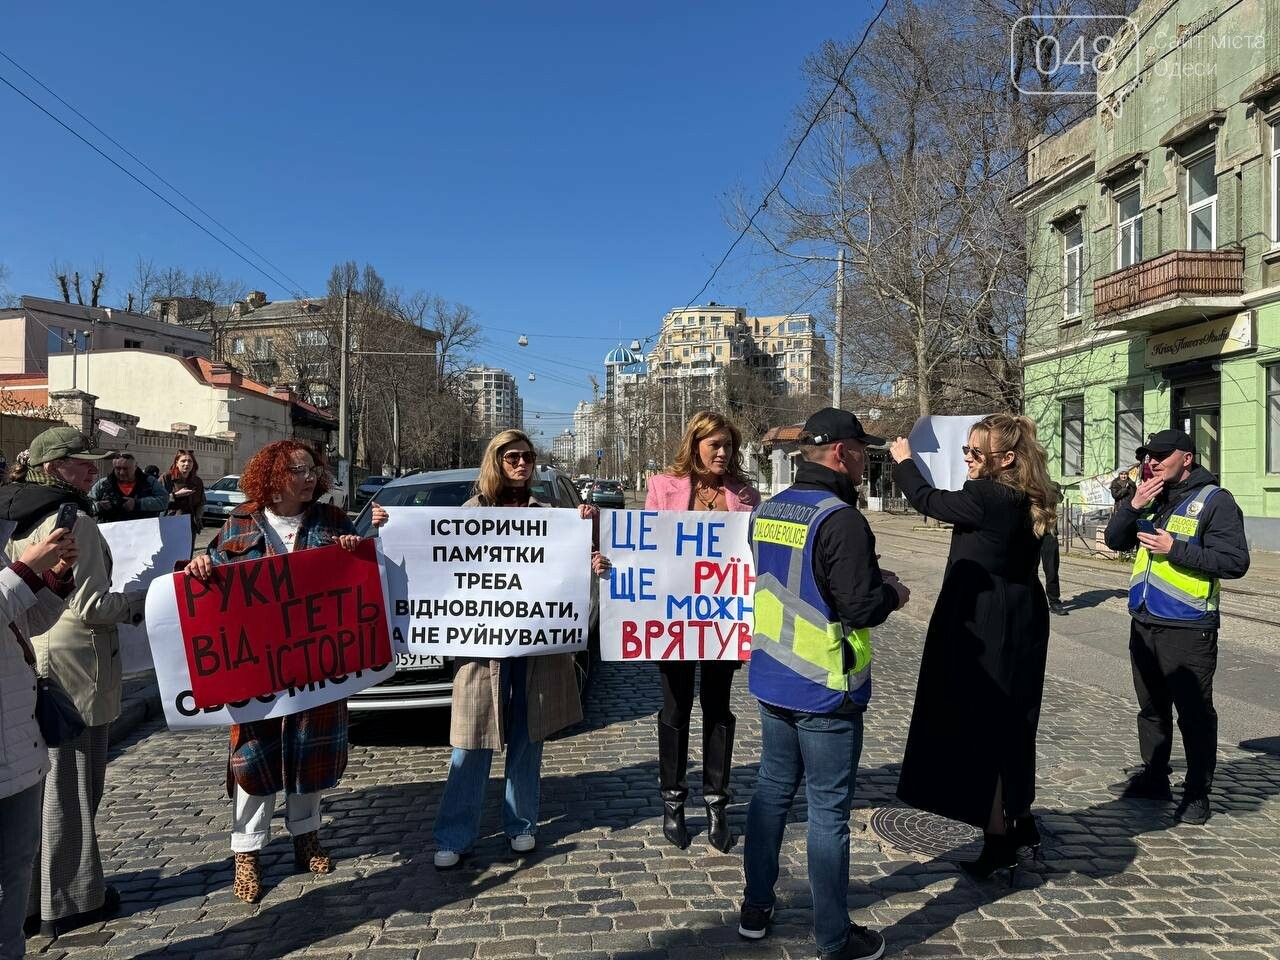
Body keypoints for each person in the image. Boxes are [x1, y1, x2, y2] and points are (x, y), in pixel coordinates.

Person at [184, 440, 388, 903]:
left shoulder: (333, 522)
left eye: (313, 469)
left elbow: (359, 580)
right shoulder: (240, 523)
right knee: (253, 760)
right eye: (300, 470)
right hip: (257, 667)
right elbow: (212, 575)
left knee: (309, 754)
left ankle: (306, 836)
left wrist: (358, 547)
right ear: (275, 478)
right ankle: (247, 852)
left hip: (316, 666)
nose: (311, 477)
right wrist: (199, 565)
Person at [739, 408, 909, 960]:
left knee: (770, 794)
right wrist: (893, 593)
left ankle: (755, 909)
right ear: (840, 452)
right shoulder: (841, 519)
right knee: (828, 813)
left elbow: (796, 580)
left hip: (772, 677)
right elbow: (858, 607)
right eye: (863, 450)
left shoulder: (769, 509)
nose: (867, 459)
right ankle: (834, 938)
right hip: (824, 688)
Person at [889, 413, 1057, 880]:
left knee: (986, 725)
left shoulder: (987, 495)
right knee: (1015, 720)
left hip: (988, 620)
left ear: (1005, 459)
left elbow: (926, 499)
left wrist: (904, 461)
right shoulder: (1025, 494)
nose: (966, 457)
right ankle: (1021, 821)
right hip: (1023, 611)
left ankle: (998, 837)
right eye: (965, 449)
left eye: (974, 451)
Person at [432, 429, 609, 869]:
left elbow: (570, 581)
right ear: (495, 460)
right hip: (480, 650)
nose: (521, 464)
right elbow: (439, 565)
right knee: (471, 740)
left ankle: (521, 823)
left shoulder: (551, 515)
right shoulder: (469, 514)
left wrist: (592, 553)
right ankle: (454, 835)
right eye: (512, 456)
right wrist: (389, 530)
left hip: (536, 648)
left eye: (527, 457)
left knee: (529, 737)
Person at [0, 427, 147, 939]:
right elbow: (92, 605)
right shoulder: (72, 517)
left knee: (49, 791)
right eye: (83, 463)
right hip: (77, 667)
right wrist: (145, 599)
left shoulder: (18, 508)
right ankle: (71, 900)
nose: (95, 470)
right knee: (75, 789)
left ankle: (36, 899)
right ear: (56, 466)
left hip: (37, 658)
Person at [1103, 429, 1250, 825]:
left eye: (1162, 455)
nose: (1152, 461)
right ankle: (1154, 776)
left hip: (1188, 625)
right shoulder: (1151, 495)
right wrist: (1132, 505)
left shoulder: (1215, 502)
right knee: (1151, 708)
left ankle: (1198, 793)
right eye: (1149, 455)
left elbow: (1235, 562)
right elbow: (1115, 540)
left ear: (1186, 458)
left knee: (1194, 713)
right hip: (1145, 620)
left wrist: (1176, 550)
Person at [644, 411, 760, 852]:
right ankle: (673, 802)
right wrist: (610, 565)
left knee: (718, 708)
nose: (723, 452)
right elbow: (643, 549)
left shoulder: (745, 495)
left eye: (728, 445)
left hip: (722, 618)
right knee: (675, 709)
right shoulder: (662, 488)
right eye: (714, 445)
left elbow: (758, 551)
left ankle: (717, 804)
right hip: (673, 618)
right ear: (695, 445)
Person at [0, 526, 78, 960]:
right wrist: (27, 570)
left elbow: (23, 621)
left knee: (15, 871)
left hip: (17, 741)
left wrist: (55, 578)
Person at [89, 452, 169, 523]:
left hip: (143, 533)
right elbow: (86, 505)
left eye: (125, 468)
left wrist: (138, 504)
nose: (122, 472)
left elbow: (164, 500)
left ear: (135, 466)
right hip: (110, 534)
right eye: (118, 468)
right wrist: (99, 506)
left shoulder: (149, 482)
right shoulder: (103, 484)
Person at [162, 449, 206, 540]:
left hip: (189, 526)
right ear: (176, 462)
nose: (187, 464)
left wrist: (197, 518)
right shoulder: (167, 477)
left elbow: (201, 503)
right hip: (169, 524)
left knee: (187, 553)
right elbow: (157, 500)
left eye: (190, 461)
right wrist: (176, 495)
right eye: (183, 461)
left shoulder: (197, 481)